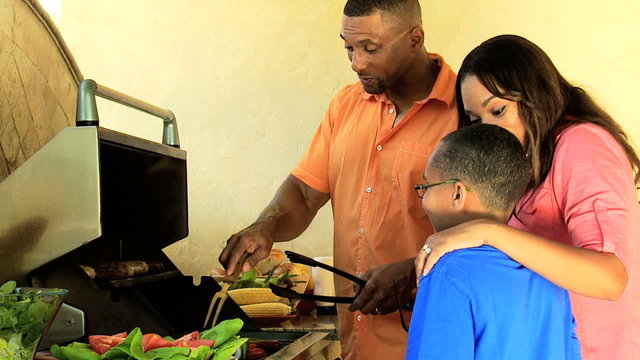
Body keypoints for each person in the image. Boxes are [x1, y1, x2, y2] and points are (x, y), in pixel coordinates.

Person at [218, 1, 458, 359]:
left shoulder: (465, 111)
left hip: (433, 344)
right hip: (356, 344)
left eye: (370, 49)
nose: (356, 62)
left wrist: (413, 270)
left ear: (415, 38)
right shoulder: (345, 104)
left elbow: (495, 232)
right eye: (348, 47)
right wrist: (264, 227)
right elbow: (302, 193)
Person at [414, 34, 640, 359]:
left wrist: (487, 232)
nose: (489, 130)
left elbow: (610, 278)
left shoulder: (582, 145)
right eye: (476, 120)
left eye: (498, 110)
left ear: (535, 97)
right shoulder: (524, 161)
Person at [406, 123, 582, 359]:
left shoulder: (447, 272)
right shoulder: (549, 275)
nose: (423, 197)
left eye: (426, 186)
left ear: (457, 194)